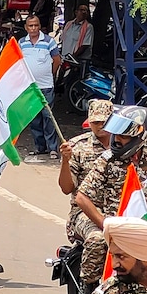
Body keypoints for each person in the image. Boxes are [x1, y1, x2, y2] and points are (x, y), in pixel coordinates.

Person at [73, 107, 147, 294]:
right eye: (116, 134)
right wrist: (105, 225)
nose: (117, 140)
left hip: (140, 217)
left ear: (140, 134)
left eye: (123, 136)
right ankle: (87, 290)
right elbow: (82, 198)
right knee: (97, 240)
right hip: (101, 216)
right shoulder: (107, 160)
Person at [59, 99, 113, 251]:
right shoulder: (77, 146)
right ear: (89, 122)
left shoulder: (123, 144)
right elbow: (66, 188)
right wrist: (65, 161)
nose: (100, 125)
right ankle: (89, 275)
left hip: (118, 210)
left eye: (104, 121)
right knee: (99, 239)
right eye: (96, 122)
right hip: (84, 213)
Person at [18, 15, 61, 159]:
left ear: (40, 26)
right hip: (30, 88)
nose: (33, 28)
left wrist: (50, 74)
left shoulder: (49, 42)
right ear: (26, 27)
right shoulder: (22, 43)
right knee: (34, 119)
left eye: (36, 25)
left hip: (46, 86)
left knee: (48, 118)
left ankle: (53, 148)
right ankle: (40, 147)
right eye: (30, 26)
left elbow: (56, 60)